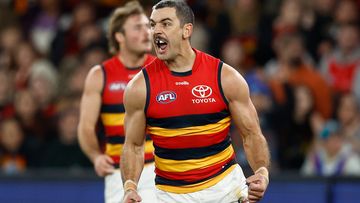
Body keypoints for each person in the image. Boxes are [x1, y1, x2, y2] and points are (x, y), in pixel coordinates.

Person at [121, 1, 270, 203]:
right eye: (153, 24)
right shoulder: (140, 87)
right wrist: (130, 187)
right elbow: (134, 146)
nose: (156, 31)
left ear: (186, 30)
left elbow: (251, 134)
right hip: (171, 196)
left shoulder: (224, 77)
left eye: (165, 24)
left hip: (226, 190)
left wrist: (261, 171)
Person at [77, 1, 156, 203]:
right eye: (138, 27)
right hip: (119, 174)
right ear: (119, 36)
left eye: (148, 26)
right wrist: (95, 156)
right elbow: (86, 127)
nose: (147, 32)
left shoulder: (162, 70)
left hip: (161, 170)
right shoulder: (100, 75)